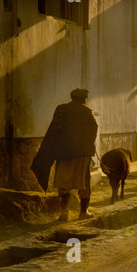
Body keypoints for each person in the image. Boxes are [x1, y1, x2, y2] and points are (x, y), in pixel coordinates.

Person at [31, 88, 98, 221]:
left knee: (64, 184)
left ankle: (64, 213)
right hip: (81, 154)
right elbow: (93, 130)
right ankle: (83, 213)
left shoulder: (61, 109)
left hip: (63, 153)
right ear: (84, 99)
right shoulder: (87, 111)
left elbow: (54, 130)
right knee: (84, 183)